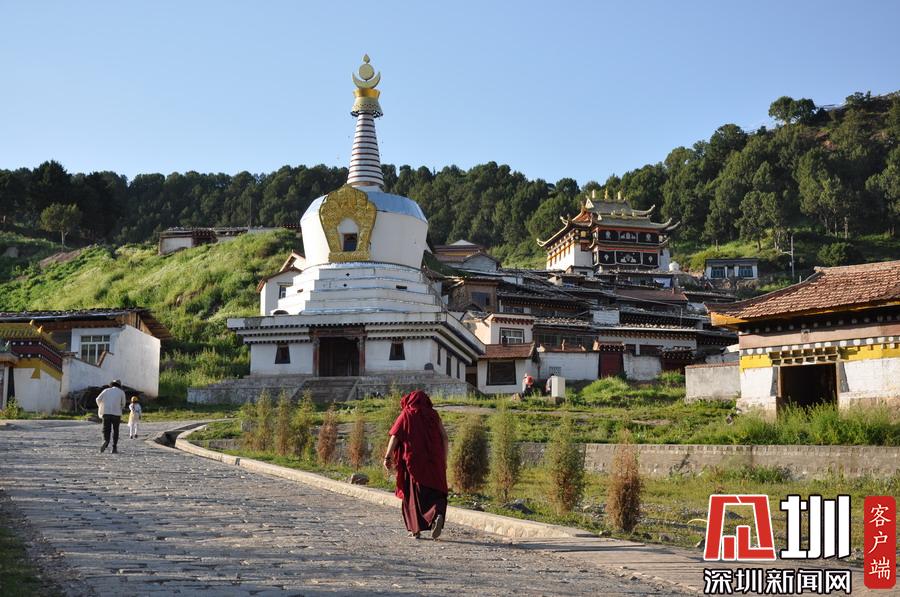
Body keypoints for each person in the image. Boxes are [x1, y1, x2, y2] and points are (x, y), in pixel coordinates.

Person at [383, 390, 449, 540]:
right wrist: (444, 459)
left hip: (414, 463)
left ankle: (415, 530)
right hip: (435, 461)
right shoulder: (434, 415)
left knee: (413, 496)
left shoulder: (407, 414)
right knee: (436, 492)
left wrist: (387, 457)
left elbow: (395, 436)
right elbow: (445, 438)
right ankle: (436, 514)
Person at [96, 380, 126, 453]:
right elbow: (123, 404)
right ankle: (114, 448)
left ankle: (105, 441)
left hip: (106, 413)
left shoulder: (106, 390)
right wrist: (120, 407)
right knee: (115, 430)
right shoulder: (121, 392)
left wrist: (101, 406)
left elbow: (98, 399)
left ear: (111, 384)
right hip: (116, 414)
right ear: (119, 385)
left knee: (106, 429)